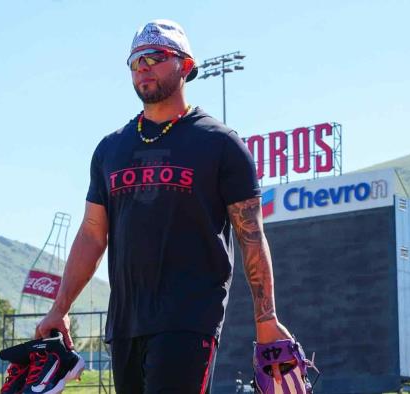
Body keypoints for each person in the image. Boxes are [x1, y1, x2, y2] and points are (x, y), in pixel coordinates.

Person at [36, 19, 294, 393]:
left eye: (155, 57)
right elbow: (93, 233)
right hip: (125, 323)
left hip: (189, 320)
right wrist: (59, 308)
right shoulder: (111, 148)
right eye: (135, 60)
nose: (143, 66)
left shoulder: (221, 143)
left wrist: (266, 318)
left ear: (185, 66)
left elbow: (251, 235)